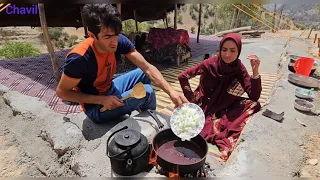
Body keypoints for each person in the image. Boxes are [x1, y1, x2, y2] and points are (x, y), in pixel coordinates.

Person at [56, 4, 188, 124]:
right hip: (96, 107)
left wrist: (171, 92)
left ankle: (147, 117)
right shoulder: (79, 58)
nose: (114, 42)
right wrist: (101, 100)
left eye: (116, 35)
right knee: (147, 92)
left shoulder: (118, 40)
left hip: (111, 88)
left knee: (143, 73)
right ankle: (152, 122)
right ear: (92, 35)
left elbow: (147, 68)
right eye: (107, 37)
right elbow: (62, 93)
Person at [178, 33, 262, 161]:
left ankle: (226, 131)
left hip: (225, 103)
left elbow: (254, 96)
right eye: (224, 50)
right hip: (206, 104)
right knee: (195, 124)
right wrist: (192, 99)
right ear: (220, 49)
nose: (227, 55)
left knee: (254, 105)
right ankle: (225, 133)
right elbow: (183, 76)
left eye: (233, 50)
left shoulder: (238, 67)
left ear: (238, 51)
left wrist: (255, 72)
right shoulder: (209, 64)